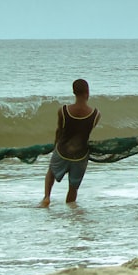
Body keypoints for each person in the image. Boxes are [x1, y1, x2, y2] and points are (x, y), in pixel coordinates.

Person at [41, 79, 100, 207]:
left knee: (51, 173)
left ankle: (46, 198)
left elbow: (59, 130)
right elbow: (87, 132)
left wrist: (55, 145)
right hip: (80, 155)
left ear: (74, 92)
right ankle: (70, 207)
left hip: (62, 151)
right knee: (73, 187)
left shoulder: (63, 111)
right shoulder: (95, 114)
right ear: (87, 92)